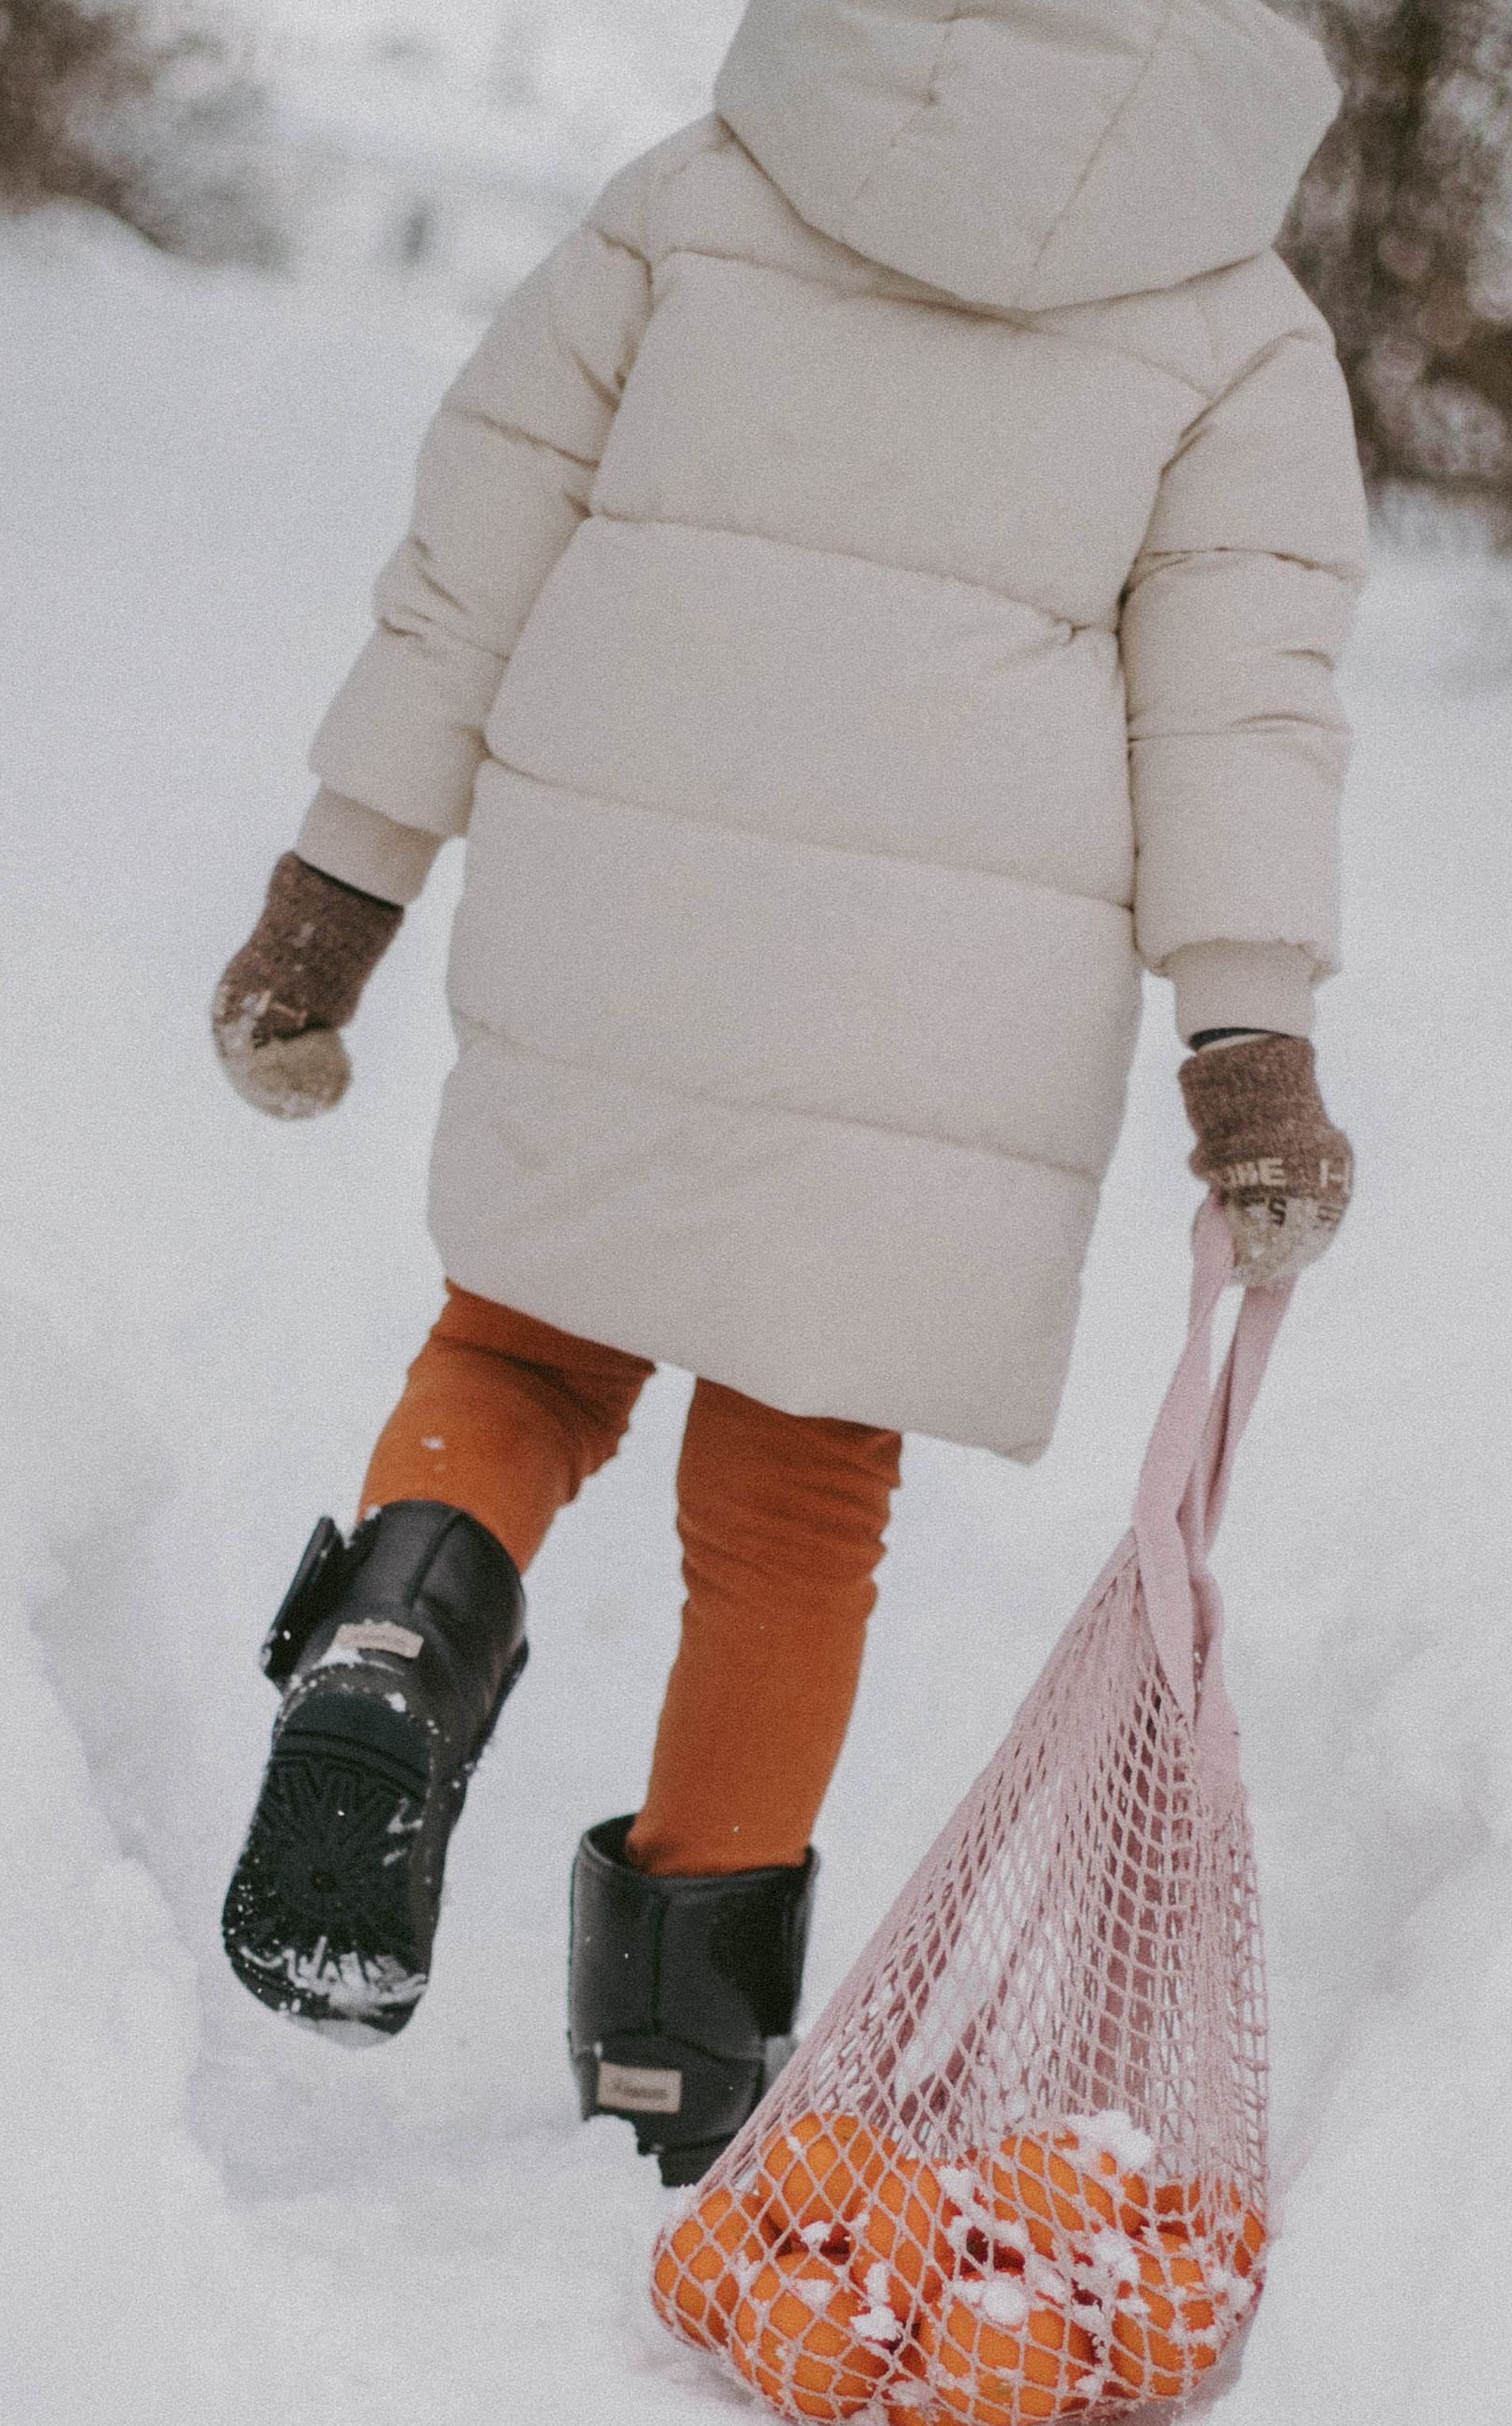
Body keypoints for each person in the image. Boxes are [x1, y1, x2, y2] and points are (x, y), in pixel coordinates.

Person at [210, 0, 1366, 2184]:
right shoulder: (1234, 321)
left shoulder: (710, 187)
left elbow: (479, 540)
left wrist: (337, 881)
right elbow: (1241, 708)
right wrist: (1247, 1034)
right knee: (796, 1497)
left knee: (527, 1343)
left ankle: (395, 1630)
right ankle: (670, 2083)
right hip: (944, 979)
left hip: (617, 872)